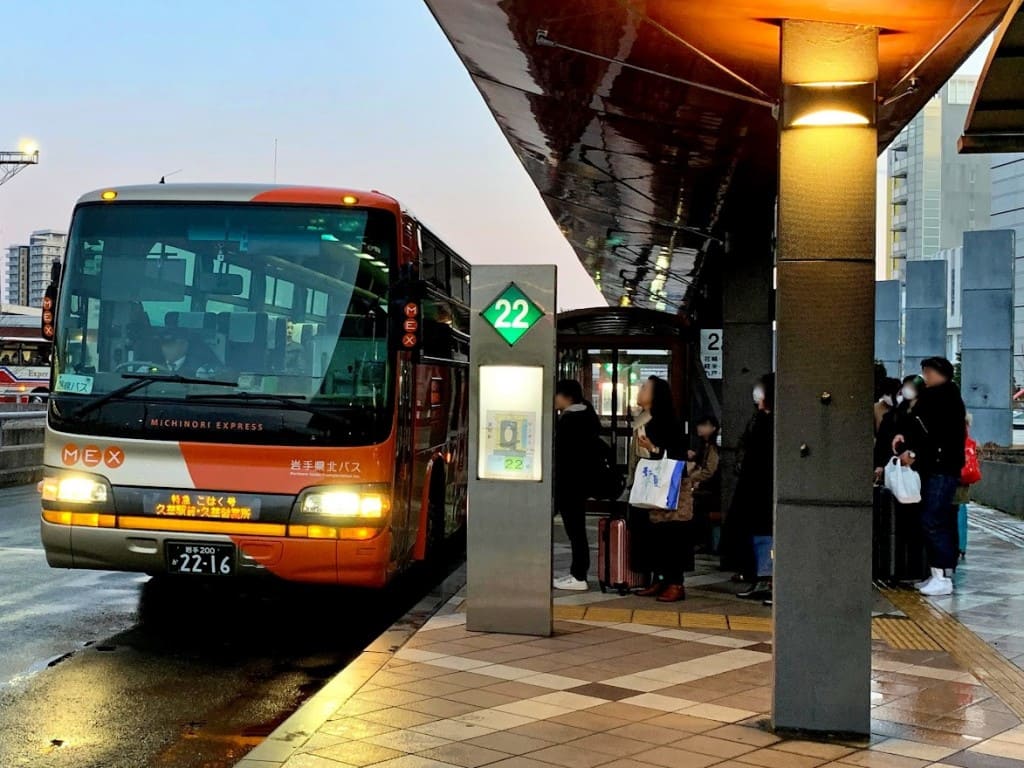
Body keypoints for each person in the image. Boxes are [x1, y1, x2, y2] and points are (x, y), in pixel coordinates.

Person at [893, 357, 966, 597]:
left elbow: (935, 435)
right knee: (934, 518)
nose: (924, 376)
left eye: (927, 372)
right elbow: (918, 427)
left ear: (938, 373)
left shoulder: (943, 399)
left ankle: (942, 576)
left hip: (941, 468)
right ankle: (937, 573)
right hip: (937, 467)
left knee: (933, 519)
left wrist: (914, 451)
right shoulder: (939, 397)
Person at [630, 376, 686, 601]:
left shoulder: (668, 420)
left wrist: (654, 448)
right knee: (648, 534)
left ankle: (675, 582)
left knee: (668, 533)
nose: (640, 389)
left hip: (664, 486)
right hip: (646, 484)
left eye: (645, 387)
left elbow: (677, 453)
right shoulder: (642, 419)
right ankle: (658, 579)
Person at [726, 373, 774, 602]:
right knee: (758, 534)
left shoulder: (776, 422)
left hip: (765, 487)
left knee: (767, 535)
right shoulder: (758, 419)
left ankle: (769, 579)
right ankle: (760, 577)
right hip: (753, 486)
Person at [552, 379, 601, 591]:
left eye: (556, 395)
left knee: (575, 531)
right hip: (577, 483)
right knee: (576, 530)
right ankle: (576, 573)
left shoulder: (571, 420)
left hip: (570, 483)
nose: (554, 400)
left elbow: (564, 456)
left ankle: (579, 575)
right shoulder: (585, 415)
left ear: (566, 397)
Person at [691, 416, 723, 554]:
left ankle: (701, 541)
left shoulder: (713, 446)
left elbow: (710, 470)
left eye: (704, 425)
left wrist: (692, 478)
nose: (700, 428)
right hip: (705, 487)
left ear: (713, 428)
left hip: (712, 490)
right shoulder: (704, 446)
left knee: (697, 505)